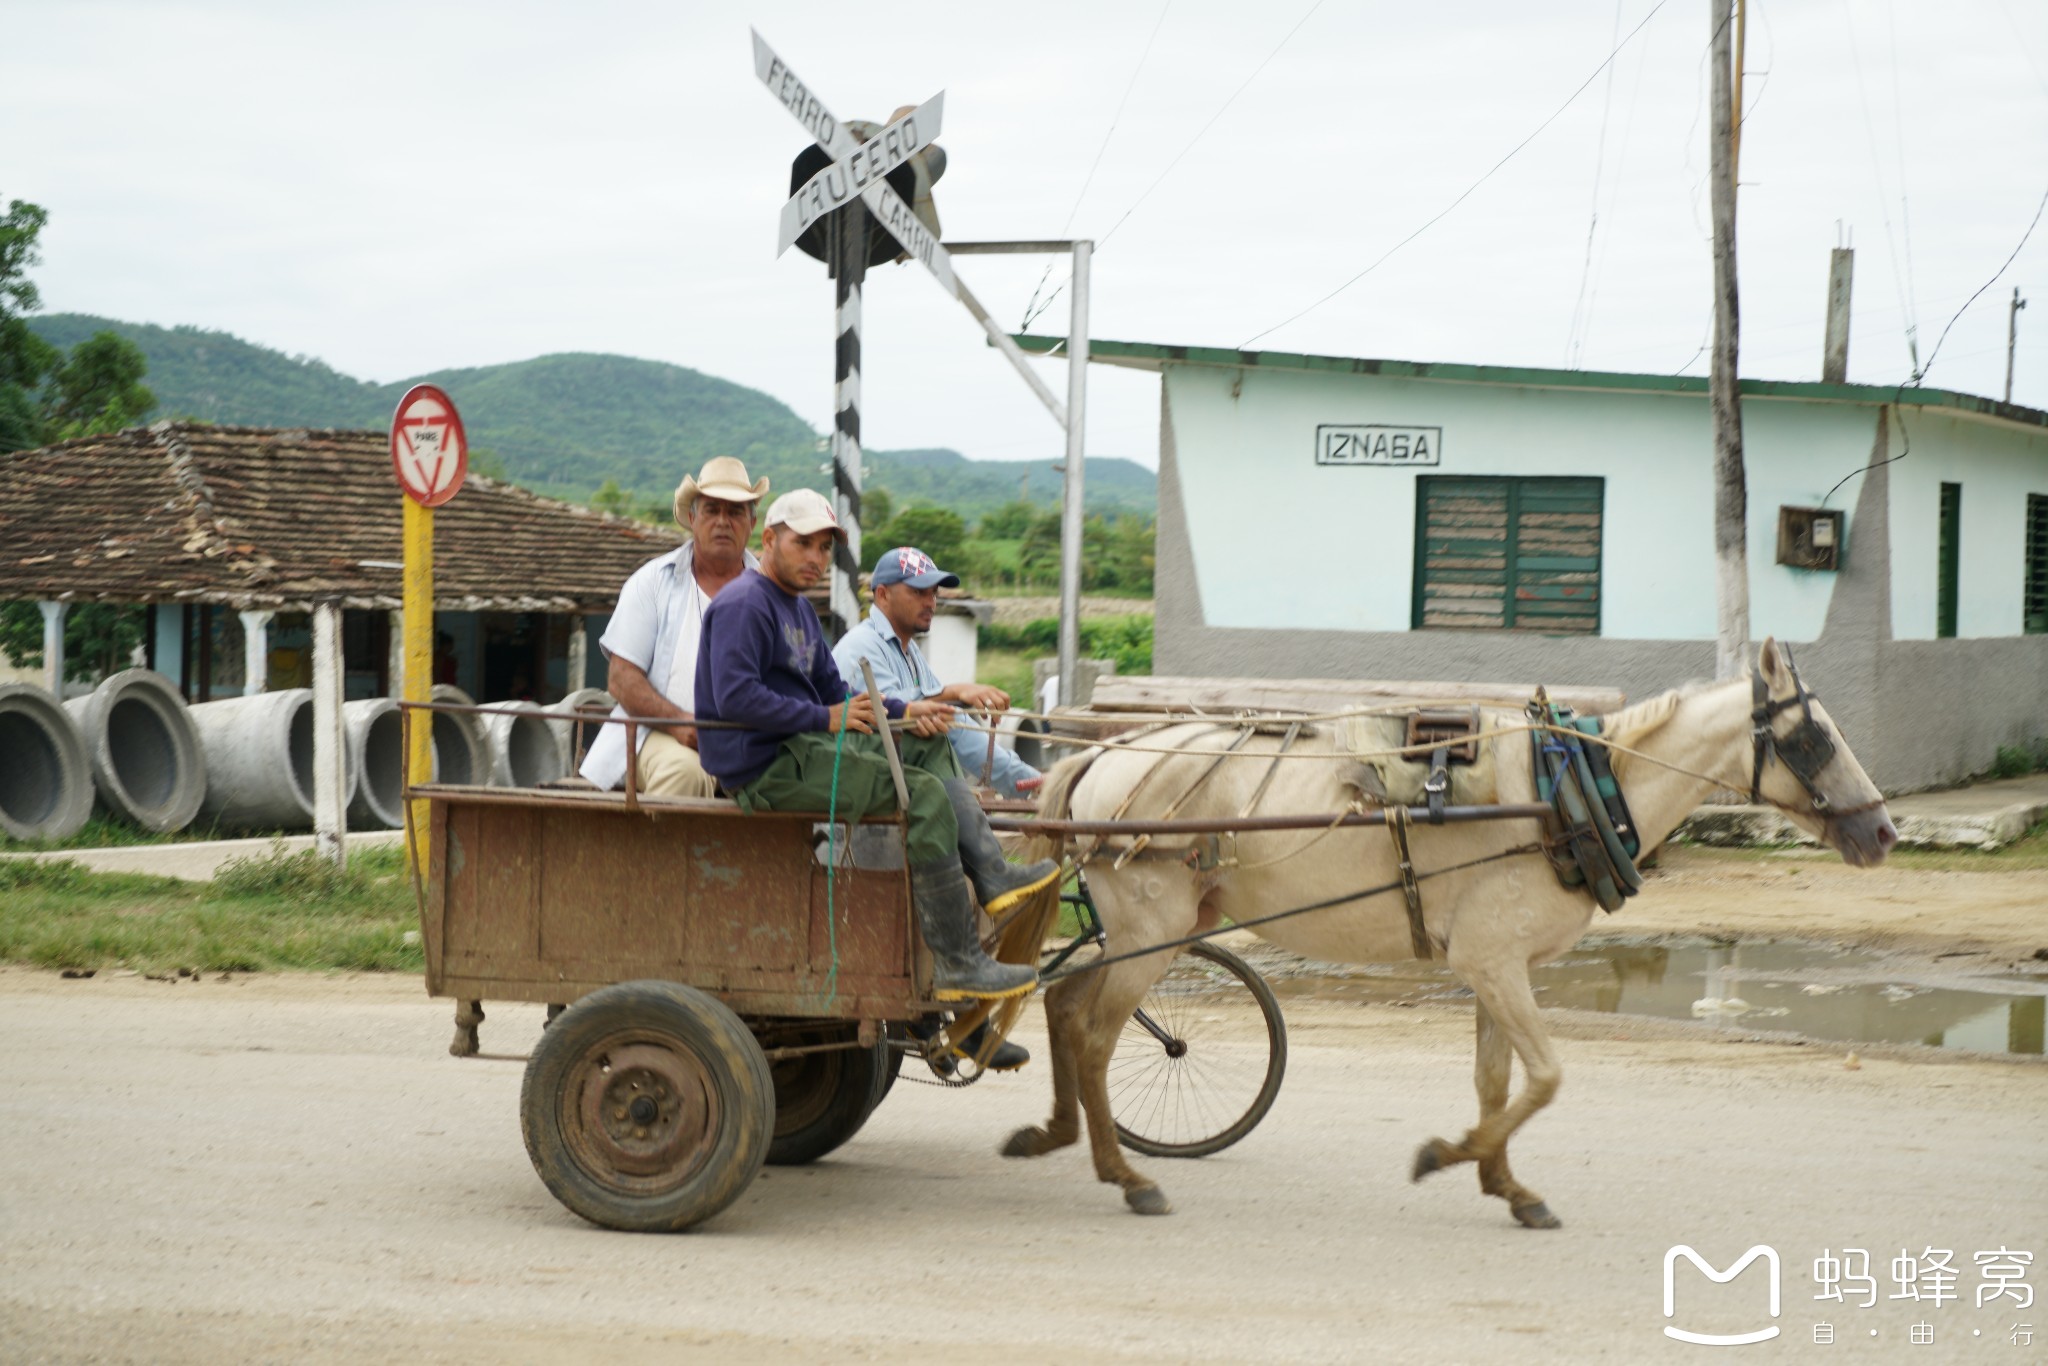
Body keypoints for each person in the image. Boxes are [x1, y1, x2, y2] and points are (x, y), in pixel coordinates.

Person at [694, 488, 1056, 1002]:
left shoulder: (795, 608)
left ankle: (993, 876)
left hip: (804, 750)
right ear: (769, 539)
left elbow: (837, 692)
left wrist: (905, 711)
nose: (816, 559)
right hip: (766, 768)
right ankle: (958, 961)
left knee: (929, 747)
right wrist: (825, 718)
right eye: (804, 544)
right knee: (925, 795)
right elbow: (736, 699)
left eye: (824, 548)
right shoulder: (746, 604)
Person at [579, 456, 766, 797]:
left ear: (752, 522)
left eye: (736, 511)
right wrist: (683, 726)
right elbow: (622, 680)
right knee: (683, 773)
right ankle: (657, 853)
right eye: (712, 510)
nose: (723, 521)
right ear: (692, 518)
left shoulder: (770, 592)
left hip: (750, 743)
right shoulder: (652, 582)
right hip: (661, 734)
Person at [832, 546, 1042, 799]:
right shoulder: (861, 647)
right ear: (883, 595)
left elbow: (950, 721)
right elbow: (890, 713)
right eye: (918, 592)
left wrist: (1028, 779)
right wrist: (955, 692)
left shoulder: (909, 651)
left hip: (905, 789)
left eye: (933, 593)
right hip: (866, 794)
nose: (930, 603)